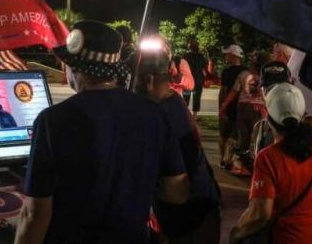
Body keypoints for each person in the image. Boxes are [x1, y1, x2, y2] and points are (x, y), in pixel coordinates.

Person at [16, 20, 189, 244]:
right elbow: (177, 193)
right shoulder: (154, 115)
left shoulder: (52, 121)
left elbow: (34, 216)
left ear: (73, 67)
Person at [134, 36, 221, 244]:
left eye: (134, 80)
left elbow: (177, 192)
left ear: (149, 80)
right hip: (196, 211)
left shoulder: (164, 116)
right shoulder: (173, 102)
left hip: (191, 219)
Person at [230, 83, 312, 244]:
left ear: (267, 116)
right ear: (302, 115)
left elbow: (261, 215)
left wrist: (236, 233)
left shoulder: (268, 158)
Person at [227, 51, 270, 176]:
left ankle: (245, 167)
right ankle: (255, 167)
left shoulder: (244, 74)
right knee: (256, 139)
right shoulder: (268, 75)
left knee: (244, 138)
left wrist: (224, 106)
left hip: (244, 107)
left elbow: (234, 92)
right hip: (260, 108)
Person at [218, 44, 247, 169]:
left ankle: (223, 160)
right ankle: (228, 160)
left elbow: (223, 91)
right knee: (234, 136)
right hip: (241, 108)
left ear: (233, 56)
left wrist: (221, 108)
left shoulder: (226, 72)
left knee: (224, 135)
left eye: (227, 54)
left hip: (229, 106)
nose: (225, 56)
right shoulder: (246, 71)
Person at [184, 38, 209, 118]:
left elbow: (182, 67)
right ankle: (194, 116)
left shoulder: (185, 56)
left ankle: (186, 114)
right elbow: (205, 69)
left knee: (186, 97)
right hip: (198, 80)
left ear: (189, 47)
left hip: (187, 80)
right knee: (196, 98)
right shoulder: (201, 57)